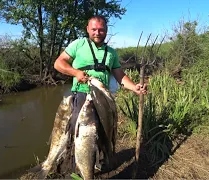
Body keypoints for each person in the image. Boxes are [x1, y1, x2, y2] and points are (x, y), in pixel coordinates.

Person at [53, 15, 148, 171]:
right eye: (94, 29)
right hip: (82, 94)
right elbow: (58, 63)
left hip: (104, 97)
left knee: (104, 132)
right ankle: (74, 169)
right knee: (79, 134)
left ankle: (100, 163)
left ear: (106, 31)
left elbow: (119, 75)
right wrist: (75, 72)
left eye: (101, 29)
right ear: (88, 30)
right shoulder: (78, 44)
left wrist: (134, 87)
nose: (97, 32)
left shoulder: (111, 52)